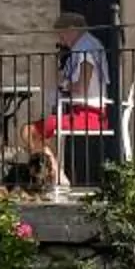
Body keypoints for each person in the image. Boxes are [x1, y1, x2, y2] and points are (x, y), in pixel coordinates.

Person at [27, 11, 111, 190]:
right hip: (85, 112)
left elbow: (81, 86)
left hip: (88, 115)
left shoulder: (85, 50)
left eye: (62, 34)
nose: (61, 39)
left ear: (73, 30)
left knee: (30, 131)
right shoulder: (87, 45)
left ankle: (57, 175)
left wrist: (63, 86)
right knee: (34, 130)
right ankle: (57, 174)